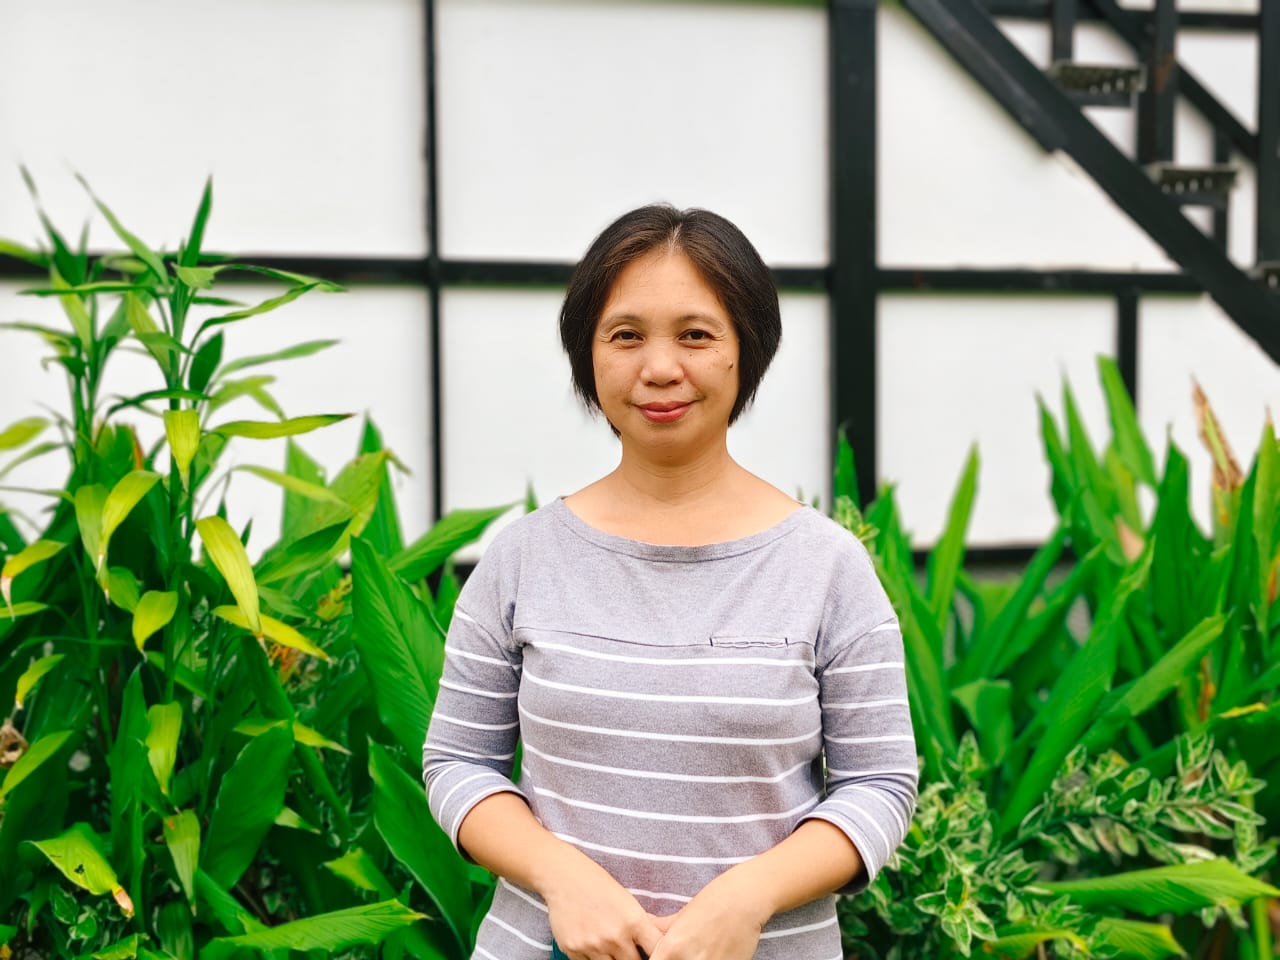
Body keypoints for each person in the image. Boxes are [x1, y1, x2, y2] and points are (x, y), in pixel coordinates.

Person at [423, 204, 918, 960]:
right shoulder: (521, 559)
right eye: (625, 335)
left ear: (746, 349)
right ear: (587, 354)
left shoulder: (827, 567)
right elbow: (457, 763)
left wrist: (748, 898)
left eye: (696, 335)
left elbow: (880, 783)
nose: (659, 368)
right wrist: (561, 877)